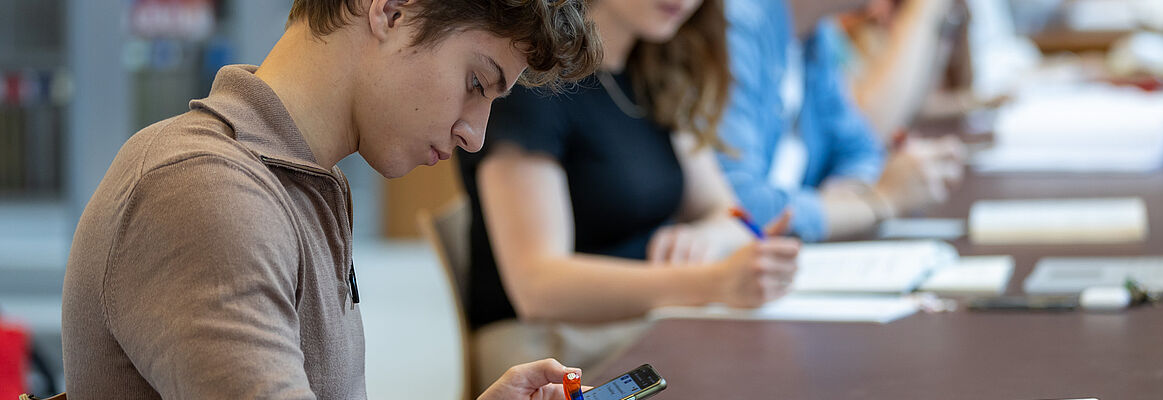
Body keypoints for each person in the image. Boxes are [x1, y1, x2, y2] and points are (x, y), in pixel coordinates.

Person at [60, 0, 600, 398]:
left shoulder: (298, 185)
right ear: (390, 12)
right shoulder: (204, 190)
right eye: (477, 83)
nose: (474, 135)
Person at [455, 0, 802, 388]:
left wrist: (702, 236)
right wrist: (713, 282)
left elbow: (730, 215)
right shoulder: (533, 82)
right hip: (552, 351)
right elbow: (537, 286)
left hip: (646, 329)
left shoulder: (654, 70)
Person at [718, 0, 967, 243]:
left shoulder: (816, 35)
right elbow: (737, 209)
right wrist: (876, 201)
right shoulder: (736, 22)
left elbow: (862, 151)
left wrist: (848, 204)